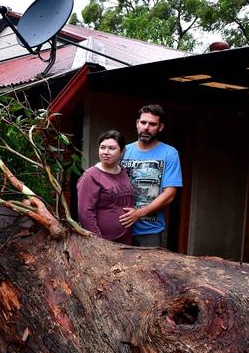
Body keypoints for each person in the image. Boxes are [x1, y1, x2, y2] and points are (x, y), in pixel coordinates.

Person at [119, 104, 182, 247]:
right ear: (137, 124)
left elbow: (170, 194)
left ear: (160, 127)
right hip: (120, 229)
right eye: (143, 122)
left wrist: (139, 213)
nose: (146, 127)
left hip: (150, 231)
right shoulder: (123, 151)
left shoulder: (169, 153)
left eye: (152, 124)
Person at [77, 130, 134, 244]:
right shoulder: (91, 175)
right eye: (102, 147)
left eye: (111, 148)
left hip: (125, 241)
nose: (105, 152)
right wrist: (98, 242)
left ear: (122, 151)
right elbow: (85, 213)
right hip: (104, 243)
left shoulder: (123, 172)